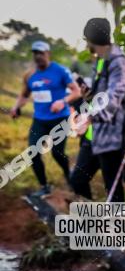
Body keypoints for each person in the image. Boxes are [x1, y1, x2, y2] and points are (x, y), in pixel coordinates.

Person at [70, 18, 125, 202]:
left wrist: (88, 118)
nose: (87, 44)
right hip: (93, 136)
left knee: (113, 191)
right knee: (77, 181)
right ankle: (92, 222)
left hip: (111, 138)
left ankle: (118, 229)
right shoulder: (101, 61)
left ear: (92, 39)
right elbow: (101, 97)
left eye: (87, 39)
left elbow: (114, 99)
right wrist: (87, 96)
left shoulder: (118, 62)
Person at [8, 40, 80, 196]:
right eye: (35, 53)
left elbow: (76, 91)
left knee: (57, 153)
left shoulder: (60, 71)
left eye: (41, 53)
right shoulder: (30, 75)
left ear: (48, 54)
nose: (38, 56)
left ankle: (69, 176)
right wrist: (15, 107)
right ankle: (44, 186)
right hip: (40, 120)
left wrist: (63, 101)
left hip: (60, 119)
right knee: (32, 153)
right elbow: (24, 95)